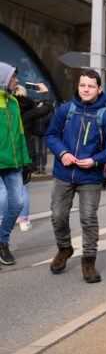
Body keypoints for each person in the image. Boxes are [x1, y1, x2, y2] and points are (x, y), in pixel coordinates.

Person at [44, 70, 106, 283]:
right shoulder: (66, 110)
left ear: (99, 89)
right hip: (64, 173)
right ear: (78, 86)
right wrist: (63, 153)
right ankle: (64, 248)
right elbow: (51, 135)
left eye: (90, 86)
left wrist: (95, 160)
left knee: (88, 218)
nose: (85, 89)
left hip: (90, 177)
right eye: (82, 85)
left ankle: (89, 261)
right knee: (57, 215)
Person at [0, 62, 31, 267]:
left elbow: (20, 135)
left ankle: (2, 241)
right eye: (13, 77)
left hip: (13, 164)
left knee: (18, 203)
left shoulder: (12, 102)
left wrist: (26, 162)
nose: (16, 81)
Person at [14, 80, 52, 232]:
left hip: (7, 152)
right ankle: (24, 220)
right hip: (24, 153)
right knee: (22, 187)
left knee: (4, 188)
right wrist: (45, 93)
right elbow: (47, 109)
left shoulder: (8, 108)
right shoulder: (29, 111)